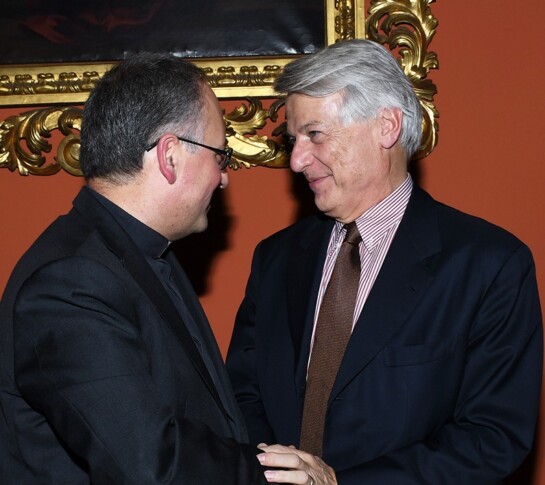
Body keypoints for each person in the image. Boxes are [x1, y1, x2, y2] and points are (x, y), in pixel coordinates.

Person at [226, 39, 543, 484]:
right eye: (294, 140)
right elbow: (241, 398)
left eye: (315, 134)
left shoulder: (489, 265)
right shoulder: (275, 259)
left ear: (386, 127)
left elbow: (492, 438)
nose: (296, 160)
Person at [0, 54, 269, 483]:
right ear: (170, 155)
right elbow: (148, 463)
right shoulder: (68, 283)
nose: (223, 177)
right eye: (220, 155)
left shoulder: (141, 251)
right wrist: (272, 472)